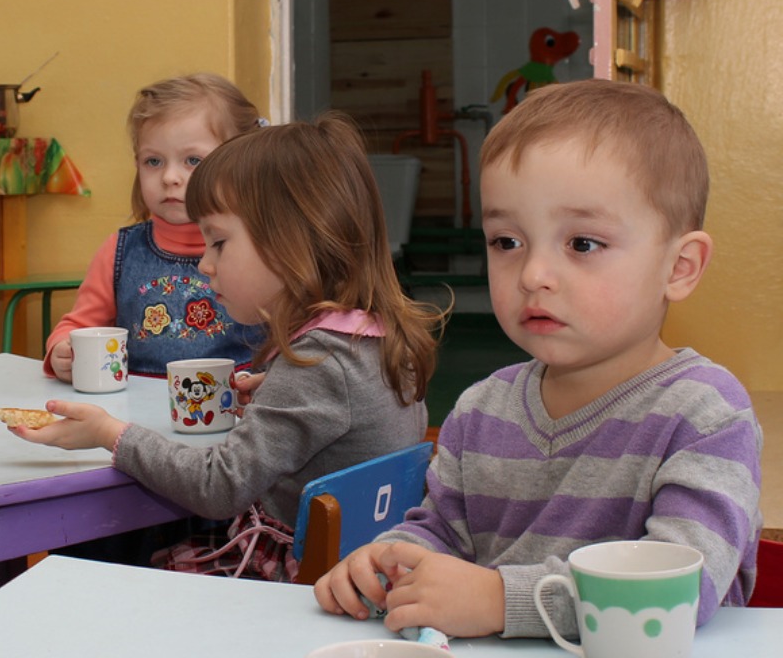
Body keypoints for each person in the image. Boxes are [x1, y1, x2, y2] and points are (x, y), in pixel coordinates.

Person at [314, 80, 763, 640]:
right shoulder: (481, 411)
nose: (532, 275)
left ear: (679, 267)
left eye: (581, 244)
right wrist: (387, 562)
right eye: (507, 242)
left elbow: (675, 591)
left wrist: (504, 600)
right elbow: (441, 536)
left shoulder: (705, 414)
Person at [14, 113, 443, 581]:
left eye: (218, 243)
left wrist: (111, 434)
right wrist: (273, 394)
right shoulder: (369, 339)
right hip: (348, 566)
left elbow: (219, 486)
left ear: (289, 244)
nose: (204, 264)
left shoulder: (320, 362)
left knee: (96, 575)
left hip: (287, 582)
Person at [44, 73, 264, 381]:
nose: (170, 177)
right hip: (134, 415)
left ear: (239, 162)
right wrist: (62, 350)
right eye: (154, 162)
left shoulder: (260, 248)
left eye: (193, 161)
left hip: (235, 409)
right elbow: (78, 327)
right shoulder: (119, 251)